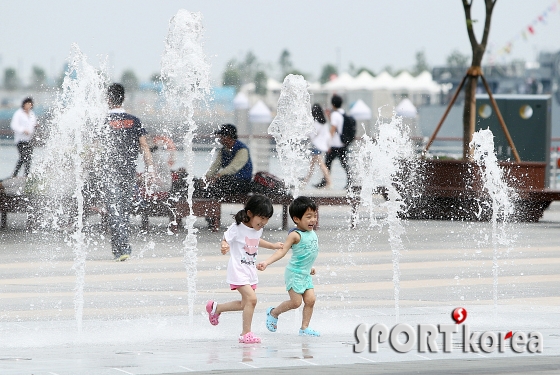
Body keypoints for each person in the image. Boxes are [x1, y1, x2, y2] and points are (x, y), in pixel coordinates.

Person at [205, 194, 283, 344]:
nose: (264, 222)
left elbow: (256, 240)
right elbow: (225, 239)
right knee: (252, 300)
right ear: (249, 213)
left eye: (266, 219)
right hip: (238, 269)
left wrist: (272, 245)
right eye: (261, 218)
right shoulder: (237, 228)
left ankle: (216, 308)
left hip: (250, 270)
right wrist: (224, 246)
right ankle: (245, 333)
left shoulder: (257, 228)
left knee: (244, 304)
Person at [102, 83, 154, 261]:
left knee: (114, 210)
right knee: (123, 211)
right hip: (129, 171)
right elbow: (144, 146)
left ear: (108, 99)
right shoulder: (134, 120)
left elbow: (95, 148)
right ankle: (123, 248)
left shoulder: (103, 121)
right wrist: (150, 168)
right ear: (123, 98)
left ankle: (121, 249)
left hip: (109, 172)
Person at [257, 196, 320, 337]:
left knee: (311, 300)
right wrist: (266, 262)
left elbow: (306, 253)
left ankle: (304, 328)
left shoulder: (311, 232)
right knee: (296, 302)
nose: (313, 220)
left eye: (314, 216)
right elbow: (282, 251)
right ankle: (273, 312)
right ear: (297, 219)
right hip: (295, 273)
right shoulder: (295, 235)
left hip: (305, 272)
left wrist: (310, 267)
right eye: (308, 217)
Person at [198, 124, 253, 198]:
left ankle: (210, 199)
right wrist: (207, 176)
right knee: (204, 183)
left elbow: (233, 167)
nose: (220, 138)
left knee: (221, 182)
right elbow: (215, 165)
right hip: (229, 179)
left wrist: (217, 176)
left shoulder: (242, 149)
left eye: (222, 136)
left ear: (229, 137)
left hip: (242, 182)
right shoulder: (223, 150)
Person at [315, 94, 352, 189]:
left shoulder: (335, 114)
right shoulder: (341, 113)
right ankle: (349, 181)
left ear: (332, 103)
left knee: (329, 163)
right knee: (341, 163)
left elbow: (333, 129)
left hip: (335, 144)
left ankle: (325, 182)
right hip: (342, 143)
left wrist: (328, 144)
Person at [302, 104, 332, 189]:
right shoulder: (324, 123)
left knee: (321, 165)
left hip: (316, 146)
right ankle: (304, 182)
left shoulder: (315, 123)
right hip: (322, 146)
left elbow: (309, 134)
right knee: (312, 165)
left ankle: (329, 183)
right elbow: (328, 136)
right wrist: (328, 145)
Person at [10, 97, 38, 178]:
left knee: (29, 157)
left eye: (30, 104)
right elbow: (13, 125)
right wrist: (23, 130)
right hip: (20, 140)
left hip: (29, 139)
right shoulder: (18, 113)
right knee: (23, 156)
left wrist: (35, 126)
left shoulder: (32, 114)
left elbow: (33, 124)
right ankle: (15, 174)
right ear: (24, 104)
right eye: (27, 104)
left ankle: (26, 175)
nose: (29, 106)